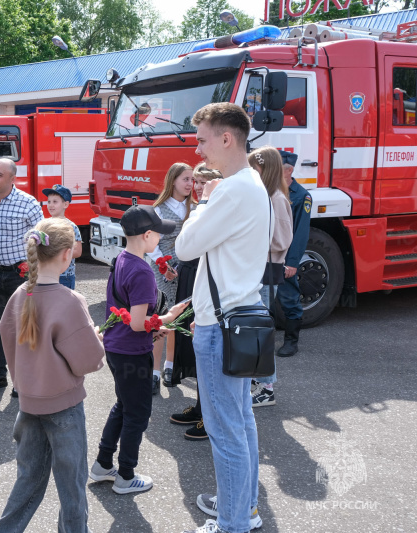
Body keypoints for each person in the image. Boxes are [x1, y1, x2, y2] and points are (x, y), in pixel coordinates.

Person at [176, 103, 271, 533]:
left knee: (226, 432)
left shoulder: (230, 189)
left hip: (222, 327)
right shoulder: (252, 183)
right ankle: (243, 507)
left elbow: (185, 247)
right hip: (237, 316)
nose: (197, 147)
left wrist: (203, 202)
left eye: (201, 138)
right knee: (241, 424)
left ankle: (233, 522)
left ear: (226, 138)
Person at [0, 219, 105, 532]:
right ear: (67, 255)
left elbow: (8, 338)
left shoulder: (20, 295)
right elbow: (89, 361)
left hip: (28, 404)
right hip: (64, 408)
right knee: (72, 485)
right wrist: (96, 338)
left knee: (29, 479)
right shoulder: (69, 301)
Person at [90, 205, 188, 495]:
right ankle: (125, 476)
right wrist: (167, 318)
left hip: (116, 347)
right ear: (146, 235)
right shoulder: (143, 270)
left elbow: (126, 316)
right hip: (132, 351)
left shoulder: (122, 258)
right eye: (158, 233)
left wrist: (153, 326)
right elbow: (136, 323)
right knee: (138, 414)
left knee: (124, 405)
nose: (160, 237)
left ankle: (102, 464)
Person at [0, 159, 43, 396]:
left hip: (20, 275)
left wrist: (34, 259)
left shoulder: (28, 203)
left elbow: (44, 236)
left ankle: (22, 378)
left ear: (12, 178)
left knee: (23, 327)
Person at [169, 163, 222, 442]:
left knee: (206, 353)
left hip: (205, 285)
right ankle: (201, 408)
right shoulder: (196, 208)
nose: (197, 187)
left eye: (203, 182)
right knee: (191, 347)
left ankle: (208, 417)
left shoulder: (211, 210)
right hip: (190, 279)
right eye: (196, 182)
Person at [247, 147, 294, 408]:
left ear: (266, 168)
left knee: (261, 331)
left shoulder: (276, 198)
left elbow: (282, 240)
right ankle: (261, 380)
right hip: (259, 269)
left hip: (265, 269)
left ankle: (267, 387)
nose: (252, 172)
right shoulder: (267, 195)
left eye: (255, 167)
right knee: (256, 328)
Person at [150, 163, 195, 393]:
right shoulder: (158, 208)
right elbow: (151, 244)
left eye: (192, 180)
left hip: (186, 269)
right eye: (185, 179)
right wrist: (163, 265)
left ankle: (170, 366)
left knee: (178, 318)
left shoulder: (195, 207)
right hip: (162, 270)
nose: (190, 184)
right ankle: (154, 372)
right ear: (173, 180)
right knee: (160, 319)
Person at [275, 149, 312, 357]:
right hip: (268, 255)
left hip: (285, 257)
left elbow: (300, 233)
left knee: (289, 297)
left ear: (288, 170)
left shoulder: (301, 196)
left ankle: (291, 341)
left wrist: (292, 263)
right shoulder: (269, 190)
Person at [41, 184, 82, 289]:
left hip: (64, 276)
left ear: (66, 204)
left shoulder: (71, 227)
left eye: (55, 202)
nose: (50, 205)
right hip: (47, 274)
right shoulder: (44, 225)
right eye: (49, 201)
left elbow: (77, 252)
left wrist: (54, 252)